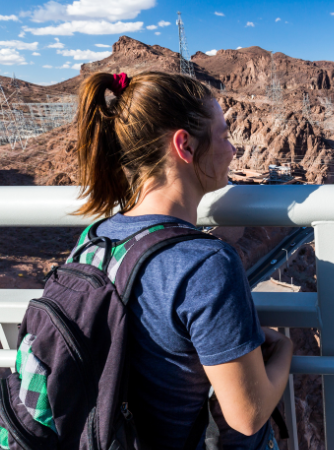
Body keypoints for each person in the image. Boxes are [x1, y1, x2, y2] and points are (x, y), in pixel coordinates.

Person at [74, 71, 293, 450]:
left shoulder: (94, 238)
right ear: (185, 146)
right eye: (224, 136)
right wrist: (286, 348)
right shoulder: (206, 264)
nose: (233, 150)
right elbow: (247, 415)